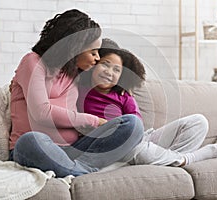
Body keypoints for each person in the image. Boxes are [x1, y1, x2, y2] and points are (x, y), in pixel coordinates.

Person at [9, 9, 144, 178]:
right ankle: (82, 171)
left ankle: (78, 168)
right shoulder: (32, 62)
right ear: (75, 48)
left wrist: (122, 87)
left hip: (76, 150)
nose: (96, 58)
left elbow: (109, 73)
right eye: (93, 52)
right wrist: (93, 121)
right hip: (39, 148)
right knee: (30, 141)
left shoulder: (75, 73)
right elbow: (41, 113)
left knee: (133, 124)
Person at [78, 38, 217, 167]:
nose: (109, 72)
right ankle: (185, 160)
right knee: (138, 150)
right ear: (94, 66)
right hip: (113, 145)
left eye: (116, 70)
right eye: (105, 64)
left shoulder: (124, 95)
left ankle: (168, 159)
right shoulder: (79, 90)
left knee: (198, 122)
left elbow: (137, 126)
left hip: (139, 139)